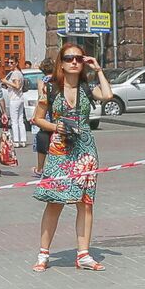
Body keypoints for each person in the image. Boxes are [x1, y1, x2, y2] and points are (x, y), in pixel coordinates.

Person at [32, 41, 114, 272]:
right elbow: (37, 118)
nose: (75, 62)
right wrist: (54, 126)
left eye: (79, 58)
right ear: (61, 62)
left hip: (85, 149)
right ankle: (43, 254)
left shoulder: (87, 89)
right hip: (60, 148)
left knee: (85, 203)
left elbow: (107, 95)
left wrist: (98, 69)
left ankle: (84, 254)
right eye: (69, 58)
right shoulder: (51, 88)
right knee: (54, 201)